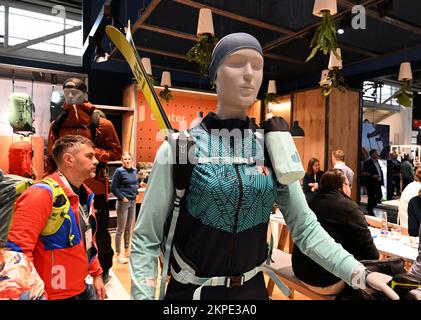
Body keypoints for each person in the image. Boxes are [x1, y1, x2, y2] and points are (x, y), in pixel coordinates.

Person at [130, 32, 398, 300]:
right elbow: (146, 238)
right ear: (214, 75)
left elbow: (305, 227)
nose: (249, 74)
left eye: (257, 66)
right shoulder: (181, 148)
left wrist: (358, 272)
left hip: (252, 292)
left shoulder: (272, 148)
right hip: (191, 294)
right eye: (236, 63)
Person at [5, 135, 106, 299]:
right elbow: (17, 253)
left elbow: (88, 241)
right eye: (89, 156)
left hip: (81, 288)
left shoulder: (85, 195)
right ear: (69, 159)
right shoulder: (41, 194)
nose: (96, 161)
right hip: (52, 295)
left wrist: (97, 274)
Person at [46, 77, 122, 283]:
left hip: (95, 188)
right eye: (67, 91)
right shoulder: (58, 124)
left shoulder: (101, 123)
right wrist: (47, 184)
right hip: (65, 189)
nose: (70, 96)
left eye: (75, 91)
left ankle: (104, 266)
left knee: (100, 231)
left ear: (84, 93)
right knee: (67, 230)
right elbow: (50, 157)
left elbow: (116, 152)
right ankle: (75, 269)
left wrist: (86, 154)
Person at [292, 169, 379, 295]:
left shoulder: (310, 203)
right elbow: (372, 255)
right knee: (374, 276)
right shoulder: (349, 207)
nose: (350, 188)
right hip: (327, 280)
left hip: (300, 270)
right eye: (348, 185)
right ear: (342, 186)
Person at [111, 152, 138, 264]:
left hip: (133, 201)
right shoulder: (119, 171)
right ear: (122, 160)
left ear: (132, 159)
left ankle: (127, 251)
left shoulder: (135, 170)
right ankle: (118, 254)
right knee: (120, 229)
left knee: (128, 228)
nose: (127, 161)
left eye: (129, 159)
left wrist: (136, 191)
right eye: (125, 159)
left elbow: (135, 183)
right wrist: (122, 197)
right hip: (124, 202)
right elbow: (113, 188)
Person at [363, 149, 384, 216]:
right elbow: (365, 173)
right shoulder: (367, 163)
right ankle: (370, 210)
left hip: (378, 182)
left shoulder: (378, 162)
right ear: (372, 154)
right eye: (375, 153)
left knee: (379, 196)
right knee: (371, 197)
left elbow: (379, 171)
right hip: (371, 183)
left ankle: (370, 207)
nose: (377, 154)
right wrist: (372, 175)